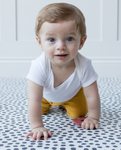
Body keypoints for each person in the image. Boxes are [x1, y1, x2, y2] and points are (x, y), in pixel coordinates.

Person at [25, 3, 101, 141]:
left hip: (72, 96)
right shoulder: (39, 66)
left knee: (79, 113)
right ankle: (50, 105)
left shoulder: (84, 65)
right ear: (40, 42)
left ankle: (66, 104)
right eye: (52, 39)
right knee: (37, 110)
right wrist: (37, 126)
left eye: (69, 39)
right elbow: (34, 99)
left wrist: (93, 117)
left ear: (82, 42)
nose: (61, 46)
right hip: (44, 97)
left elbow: (92, 95)